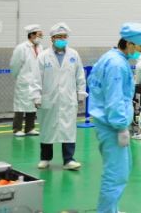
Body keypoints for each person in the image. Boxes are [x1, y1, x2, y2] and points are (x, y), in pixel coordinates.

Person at [88, 23, 141, 213]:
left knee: (121, 169)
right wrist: (121, 126)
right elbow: (115, 99)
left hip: (106, 122)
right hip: (112, 126)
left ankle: (111, 209)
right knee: (115, 174)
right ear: (129, 44)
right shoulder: (117, 65)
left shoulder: (109, 57)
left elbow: (93, 83)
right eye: (139, 46)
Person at [31, 22, 86, 170]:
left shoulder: (73, 55)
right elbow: (36, 78)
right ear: (52, 39)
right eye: (58, 37)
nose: (62, 39)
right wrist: (36, 96)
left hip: (68, 99)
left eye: (64, 37)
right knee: (47, 129)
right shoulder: (43, 56)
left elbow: (80, 75)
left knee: (68, 129)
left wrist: (81, 93)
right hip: (49, 99)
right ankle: (45, 158)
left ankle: (69, 160)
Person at [9, 24, 43, 137]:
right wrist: (18, 77)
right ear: (32, 35)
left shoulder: (40, 47)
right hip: (24, 81)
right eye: (39, 35)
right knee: (20, 106)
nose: (40, 37)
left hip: (36, 82)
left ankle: (30, 128)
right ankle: (17, 129)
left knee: (33, 105)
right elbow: (14, 64)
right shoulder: (21, 48)